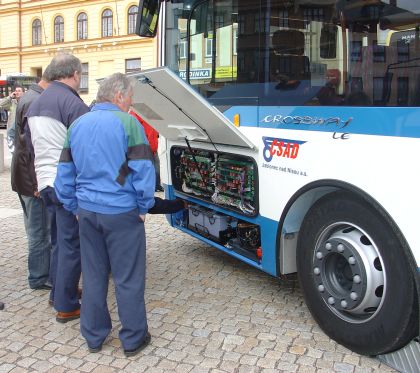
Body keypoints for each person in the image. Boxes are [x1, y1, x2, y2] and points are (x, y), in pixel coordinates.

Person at [54, 73, 155, 356]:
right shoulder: (129, 123)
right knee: (128, 278)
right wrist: (143, 206)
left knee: (94, 275)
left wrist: (74, 207)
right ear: (119, 96)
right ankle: (133, 338)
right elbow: (143, 171)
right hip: (122, 212)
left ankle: (94, 337)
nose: (131, 103)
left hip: (87, 212)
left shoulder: (77, 125)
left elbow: (64, 175)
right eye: (130, 97)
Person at [27, 52, 89, 322]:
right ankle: (66, 305)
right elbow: (87, 147)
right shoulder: (72, 103)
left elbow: (28, 148)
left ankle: (58, 290)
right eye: (81, 74)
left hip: (45, 182)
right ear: (75, 74)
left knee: (58, 240)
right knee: (71, 244)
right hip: (65, 184)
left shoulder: (37, 102)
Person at [11, 68, 53, 290]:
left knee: (35, 228)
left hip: (24, 177)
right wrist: (38, 183)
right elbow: (31, 147)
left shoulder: (29, 97)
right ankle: (39, 277)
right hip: (31, 181)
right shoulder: (35, 101)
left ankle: (40, 273)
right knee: (39, 231)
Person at [129, 110, 163, 192]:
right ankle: (150, 187)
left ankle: (157, 185)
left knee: (156, 167)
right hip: (144, 147)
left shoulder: (149, 114)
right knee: (147, 169)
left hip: (153, 147)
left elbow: (154, 131)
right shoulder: (135, 114)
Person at [0, 84, 24, 153]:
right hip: (12, 132)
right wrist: (10, 97)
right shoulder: (12, 103)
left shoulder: (26, 103)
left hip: (21, 132)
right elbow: (1, 104)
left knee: (20, 153)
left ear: (23, 92)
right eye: (16, 91)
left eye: (19, 91)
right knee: (13, 152)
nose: (17, 92)